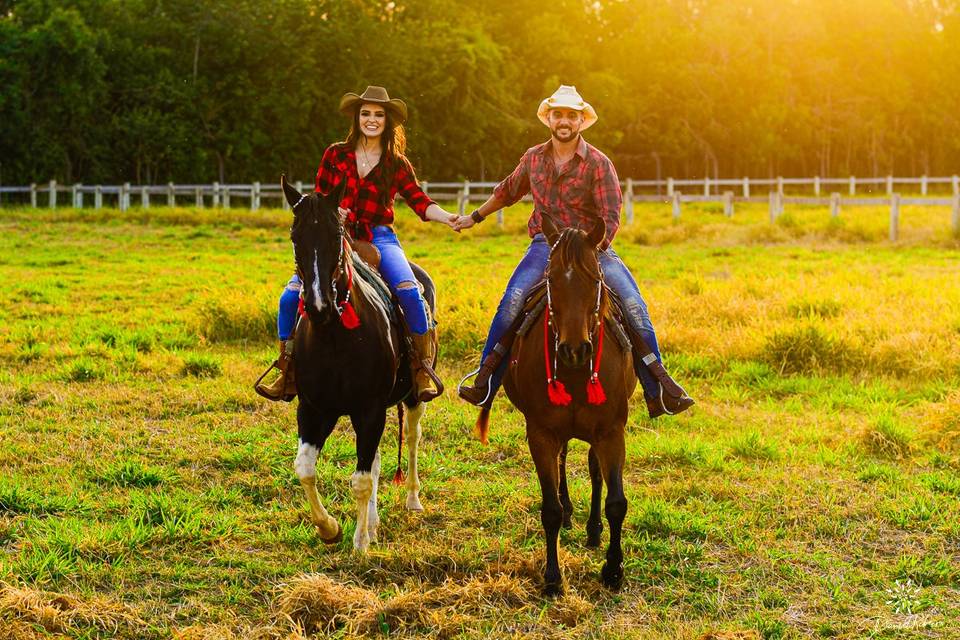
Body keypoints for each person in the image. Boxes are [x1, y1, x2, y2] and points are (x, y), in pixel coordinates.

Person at [454, 85, 694, 418]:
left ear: (581, 121)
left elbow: (611, 214)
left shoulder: (598, 162)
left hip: (590, 247)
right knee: (513, 299)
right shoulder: (533, 158)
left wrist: (590, 250)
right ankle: (484, 382)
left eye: (571, 115)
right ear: (548, 119)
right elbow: (507, 191)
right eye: (558, 115)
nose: (564, 121)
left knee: (634, 304)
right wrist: (473, 217)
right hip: (545, 245)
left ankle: (660, 390)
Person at [256, 85, 459, 403]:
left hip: (379, 235)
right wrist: (331, 209)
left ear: (388, 121)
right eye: (366, 113)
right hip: (336, 234)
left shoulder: (396, 162)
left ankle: (421, 369)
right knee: (288, 298)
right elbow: (318, 199)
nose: (372, 120)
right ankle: (288, 369)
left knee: (409, 291)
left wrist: (447, 217)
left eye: (379, 115)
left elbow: (420, 202)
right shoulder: (335, 154)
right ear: (357, 117)